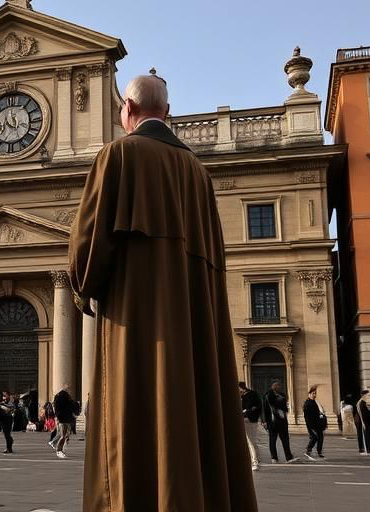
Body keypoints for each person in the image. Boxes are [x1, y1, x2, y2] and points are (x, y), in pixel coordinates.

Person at [68, 72, 256, 512]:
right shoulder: (197, 171)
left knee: (130, 416)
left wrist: (82, 290)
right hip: (191, 322)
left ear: (127, 110)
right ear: (167, 113)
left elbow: (88, 243)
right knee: (188, 408)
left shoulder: (117, 155)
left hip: (137, 318)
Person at [262, 381, 297, 464]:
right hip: (272, 422)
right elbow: (265, 409)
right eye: (278, 385)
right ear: (273, 386)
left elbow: (285, 407)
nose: (279, 387)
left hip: (282, 421)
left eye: (279, 385)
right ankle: (274, 458)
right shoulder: (268, 395)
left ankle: (288, 457)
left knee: (285, 440)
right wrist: (264, 421)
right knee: (273, 440)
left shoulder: (282, 395)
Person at [239, 382, 263, 471]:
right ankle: (253, 460)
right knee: (248, 442)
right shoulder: (241, 396)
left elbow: (257, 407)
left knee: (251, 441)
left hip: (250, 420)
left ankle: (255, 461)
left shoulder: (251, 395)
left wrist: (247, 413)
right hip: (243, 420)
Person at [303, 386, 327, 460]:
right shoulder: (307, 403)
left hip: (318, 424)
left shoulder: (314, 402)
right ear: (309, 394)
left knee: (320, 438)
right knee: (314, 437)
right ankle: (308, 451)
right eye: (313, 393)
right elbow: (307, 417)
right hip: (312, 424)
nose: (315, 395)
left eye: (315, 393)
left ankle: (319, 453)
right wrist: (310, 426)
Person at [52, 389, 76, 459]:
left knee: (64, 436)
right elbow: (72, 408)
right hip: (64, 420)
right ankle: (58, 450)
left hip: (63, 420)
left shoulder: (60, 400)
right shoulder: (65, 401)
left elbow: (57, 411)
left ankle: (59, 450)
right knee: (63, 436)